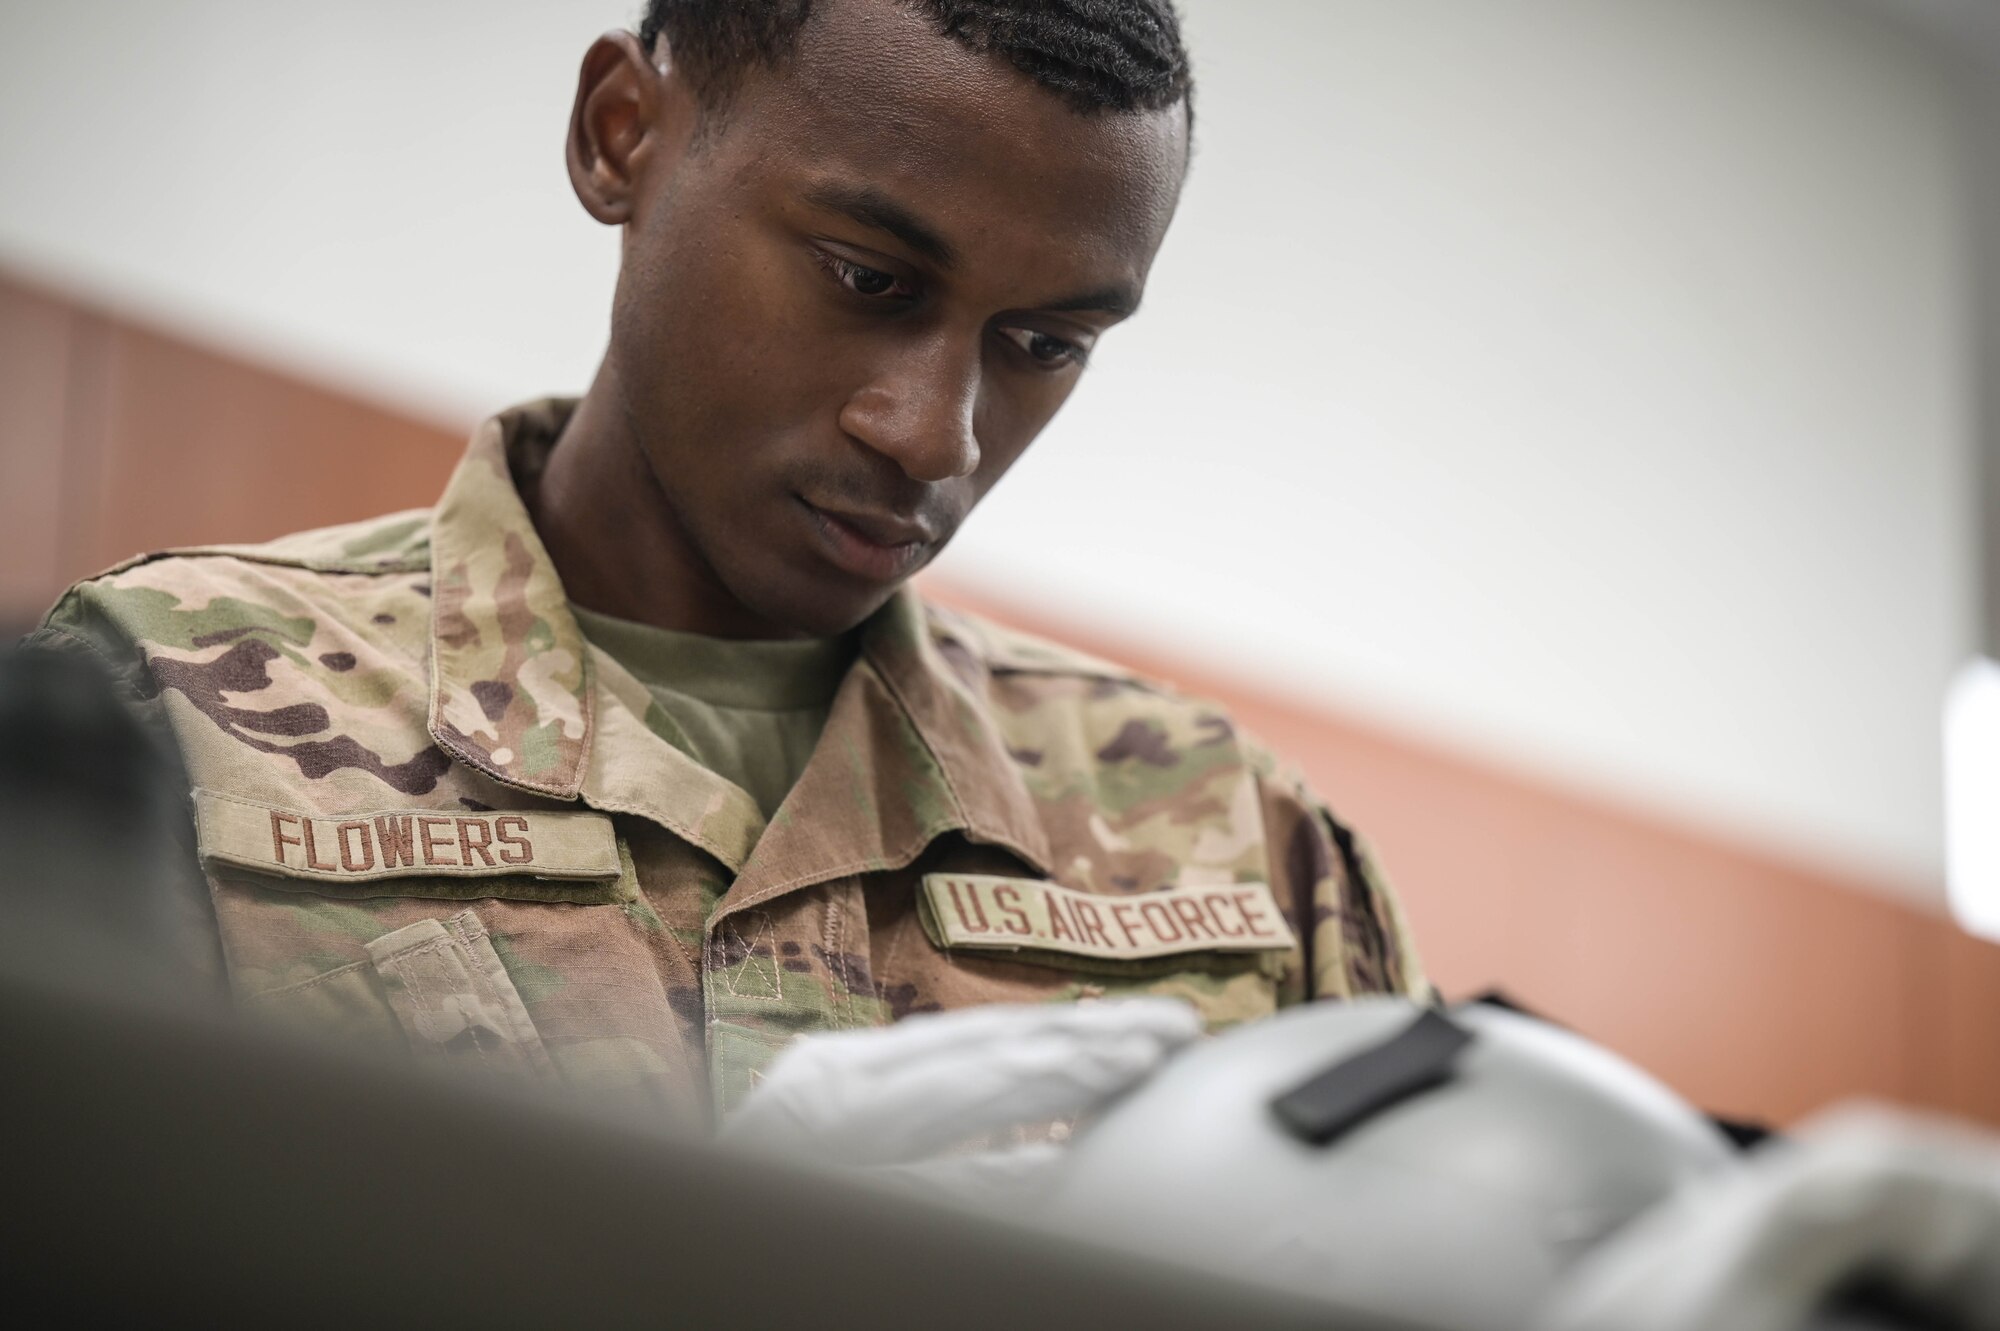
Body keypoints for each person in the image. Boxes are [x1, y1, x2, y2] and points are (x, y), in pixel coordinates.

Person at [26, 0, 1425, 1132]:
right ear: (621, 135)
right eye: (869, 278)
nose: (933, 434)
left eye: (1046, 343)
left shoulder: (1245, 850)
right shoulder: (160, 708)